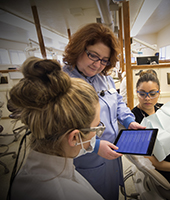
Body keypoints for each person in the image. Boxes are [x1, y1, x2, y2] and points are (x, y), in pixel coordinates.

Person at [62, 23, 144, 200]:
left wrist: (129, 120)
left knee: (111, 193)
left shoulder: (105, 78)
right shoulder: (63, 83)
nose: (98, 64)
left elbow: (118, 101)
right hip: (85, 158)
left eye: (104, 60)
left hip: (112, 152)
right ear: (79, 49)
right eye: (93, 55)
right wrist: (96, 146)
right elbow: (61, 130)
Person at [8, 57, 104, 200]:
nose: (97, 134)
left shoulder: (29, 173)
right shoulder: (66, 194)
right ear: (74, 137)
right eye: (96, 127)